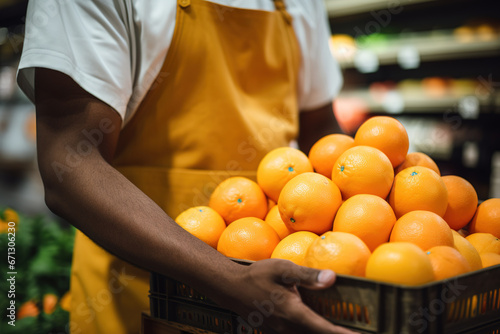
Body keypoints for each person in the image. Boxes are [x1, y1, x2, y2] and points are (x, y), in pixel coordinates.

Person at [17, 0, 355, 333]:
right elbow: (70, 159)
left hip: (275, 279)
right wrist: (230, 280)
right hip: (137, 294)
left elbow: (320, 130)